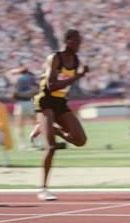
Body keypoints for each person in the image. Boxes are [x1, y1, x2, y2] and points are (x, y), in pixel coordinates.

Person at [30, 29, 89, 200]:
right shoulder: (55, 57)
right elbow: (51, 85)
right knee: (51, 147)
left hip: (60, 103)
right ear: (68, 40)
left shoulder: (76, 60)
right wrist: (77, 77)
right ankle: (43, 188)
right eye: (77, 41)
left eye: (80, 41)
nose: (79, 44)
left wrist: (78, 76)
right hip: (45, 101)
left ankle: (50, 128)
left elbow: (65, 87)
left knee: (80, 140)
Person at [6, 67, 38, 150]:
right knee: (35, 124)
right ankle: (35, 144)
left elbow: (8, 74)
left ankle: (22, 145)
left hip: (20, 103)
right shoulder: (31, 78)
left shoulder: (16, 78)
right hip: (31, 102)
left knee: (19, 126)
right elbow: (36, 90)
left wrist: (15, 71)